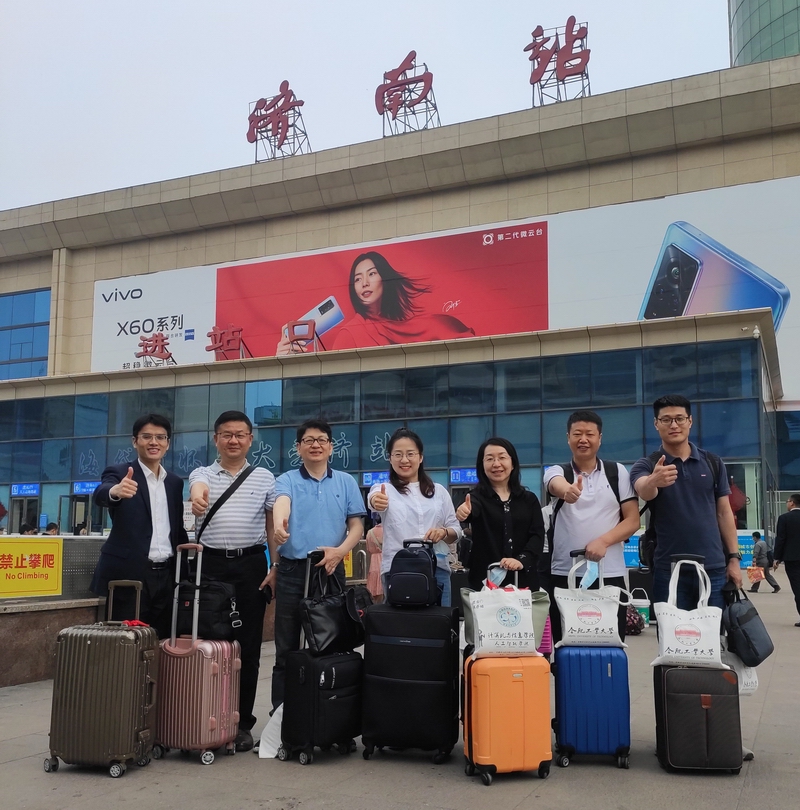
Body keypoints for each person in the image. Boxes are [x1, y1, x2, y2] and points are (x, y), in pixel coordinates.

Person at [189, 410, 276, 752]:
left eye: (240, 434)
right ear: (216, 439)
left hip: (251, 565)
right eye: (227, 434)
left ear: (250, 440)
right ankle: (207, 718)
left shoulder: (265, 477)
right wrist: (198, 498)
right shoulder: (203, 473)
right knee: (210, 645)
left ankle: (241, 724)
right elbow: (198, 490)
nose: (233, 440)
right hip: (210, 566)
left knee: (248, 648)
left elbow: (271, 526)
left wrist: (275, 566)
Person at [270, 418, 365, 711]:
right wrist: (279, 525)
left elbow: (356, 526)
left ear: (331, 447)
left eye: (322, 440)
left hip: (330, 569)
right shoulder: (287, 479)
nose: (316, 445)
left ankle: (328, 712)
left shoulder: (346, 482)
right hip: (292, 570)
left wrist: (340, 552)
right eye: (309, 440)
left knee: (332, 642)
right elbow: (281, 503)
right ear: (298, 447)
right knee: (286, 647)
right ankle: (282, 715)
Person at [630, 395, 742, 611]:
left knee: (712, 631)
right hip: (669, 569)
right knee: (672, 631)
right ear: (656, 424)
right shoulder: (647, 464)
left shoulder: (712, 462)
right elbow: (644, 490)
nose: (674, 425)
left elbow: (724, 513)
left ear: (690, 421)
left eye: (679, 419)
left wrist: (734, 559)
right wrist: (654, 480)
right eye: (666, 420)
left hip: (713, 567)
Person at [540, 411, 640, 645]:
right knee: (566, 643)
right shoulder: (557, 471)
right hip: (564, 574)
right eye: (577, 434)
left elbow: (632, 520)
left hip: (610, 573)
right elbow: (554, 484)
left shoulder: (617, 472)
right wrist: (567, 490)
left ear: (600, 438)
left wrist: (603, 542)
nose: (583, 439)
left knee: (610, 643)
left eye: (589, 434)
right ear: (568, 438)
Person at [91, 413, 188, 637]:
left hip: (167, 576)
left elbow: (177, 530)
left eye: (160, 437)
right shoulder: (120, 473)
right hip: (130, 576)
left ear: (167, 443)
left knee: (163, 640)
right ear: (135, 441)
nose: (154, 442)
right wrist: (115, 491)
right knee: (125, 642)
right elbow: (101, 492)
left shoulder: (174, 482)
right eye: (146, 437)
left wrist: (185, 574)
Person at [275, 251, 474, 354]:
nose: (365, 283)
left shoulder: (421, 324)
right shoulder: (351, 334)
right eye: (358, 279)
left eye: (372, 274)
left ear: (385, 278)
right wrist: (283, 363)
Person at [368, 428, 461, 606]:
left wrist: (443, 532)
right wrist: (376, 500)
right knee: (402, 622)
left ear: (420, 457)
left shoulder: (439, 491)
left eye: (410, 454)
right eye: (398, 454)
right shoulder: (384, 490)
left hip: (437, 569)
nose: (404, 460)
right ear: (390, 458)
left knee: (439, 621)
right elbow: (373, 499)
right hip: (398, 570)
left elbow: (456, 531)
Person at [455, 437, 544, 592]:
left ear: (513, 463)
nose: (496, 464)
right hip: (486, 582)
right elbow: (471, 509)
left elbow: (537, 535)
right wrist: (464, 511)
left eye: (502, 457)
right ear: (482, 465)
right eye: (489, 459)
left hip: (523, 581)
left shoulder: (529, 499)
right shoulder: (476, 497)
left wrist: (521, 560)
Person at [773, 494, 800, 624]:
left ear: (792, 503)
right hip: (792, 558)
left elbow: (781, 539)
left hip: (792, 559)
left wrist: (776, 558)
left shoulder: (784, 518)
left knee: (798, 588)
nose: (787, 504)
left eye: (787, 501)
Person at [365, 516, 384, 601]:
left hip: (373, 561)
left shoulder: (370, 532)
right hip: (384, 558)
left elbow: (368, 548)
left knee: (374, 586)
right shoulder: (387, 531)